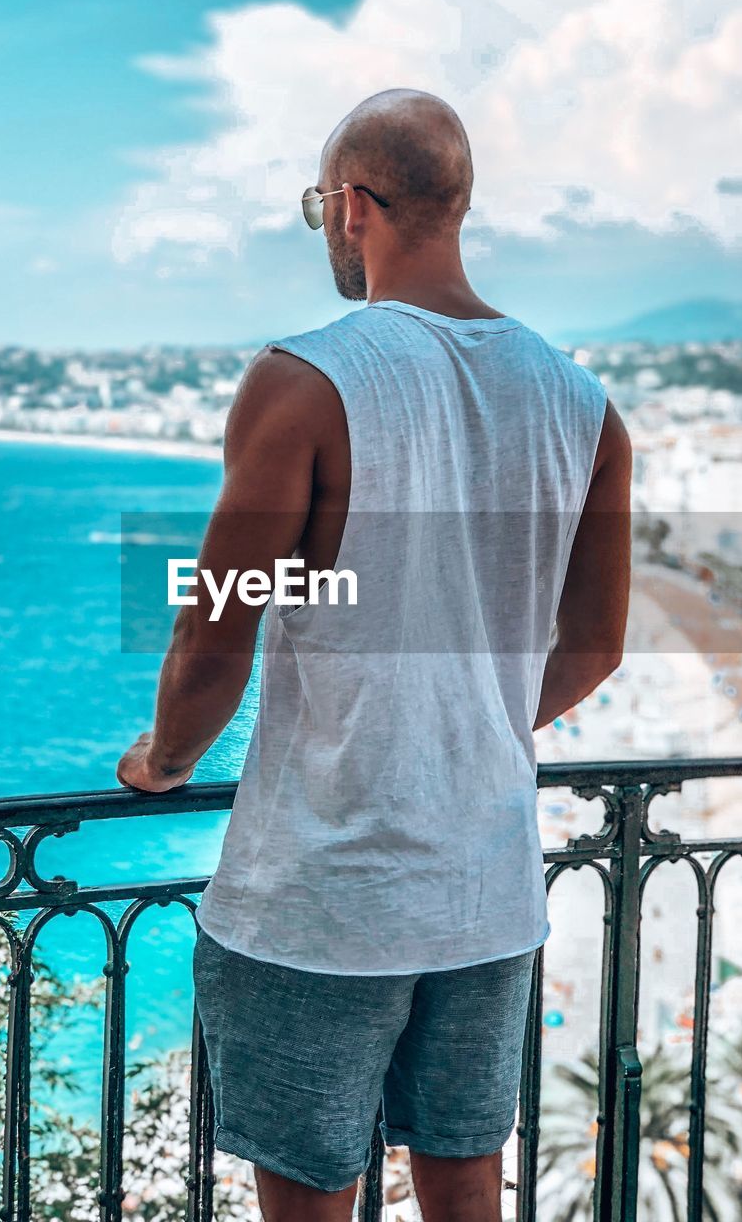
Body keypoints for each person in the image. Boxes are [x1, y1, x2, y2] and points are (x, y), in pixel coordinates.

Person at [117, 88, 632, 1222]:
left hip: (325, 892)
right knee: (464, 1184)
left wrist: (160, 757)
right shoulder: (584, 405)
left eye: (321, 208)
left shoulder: (304, 380)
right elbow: (595, 643)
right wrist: (470, 717)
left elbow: (216, 629)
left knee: (310, 1195)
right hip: (487, 884)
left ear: (354, 207)